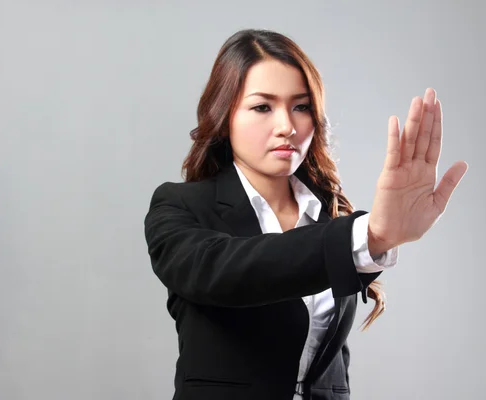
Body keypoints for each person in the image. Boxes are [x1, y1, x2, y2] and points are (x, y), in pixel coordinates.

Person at [144, 29, 468, 400]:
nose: (287, 126)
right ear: (225, 115)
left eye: (301, 106)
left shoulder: (328, 217)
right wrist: (369, 237)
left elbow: (330, 367)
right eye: (262, 107)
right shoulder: (179, 206)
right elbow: (229, 271)